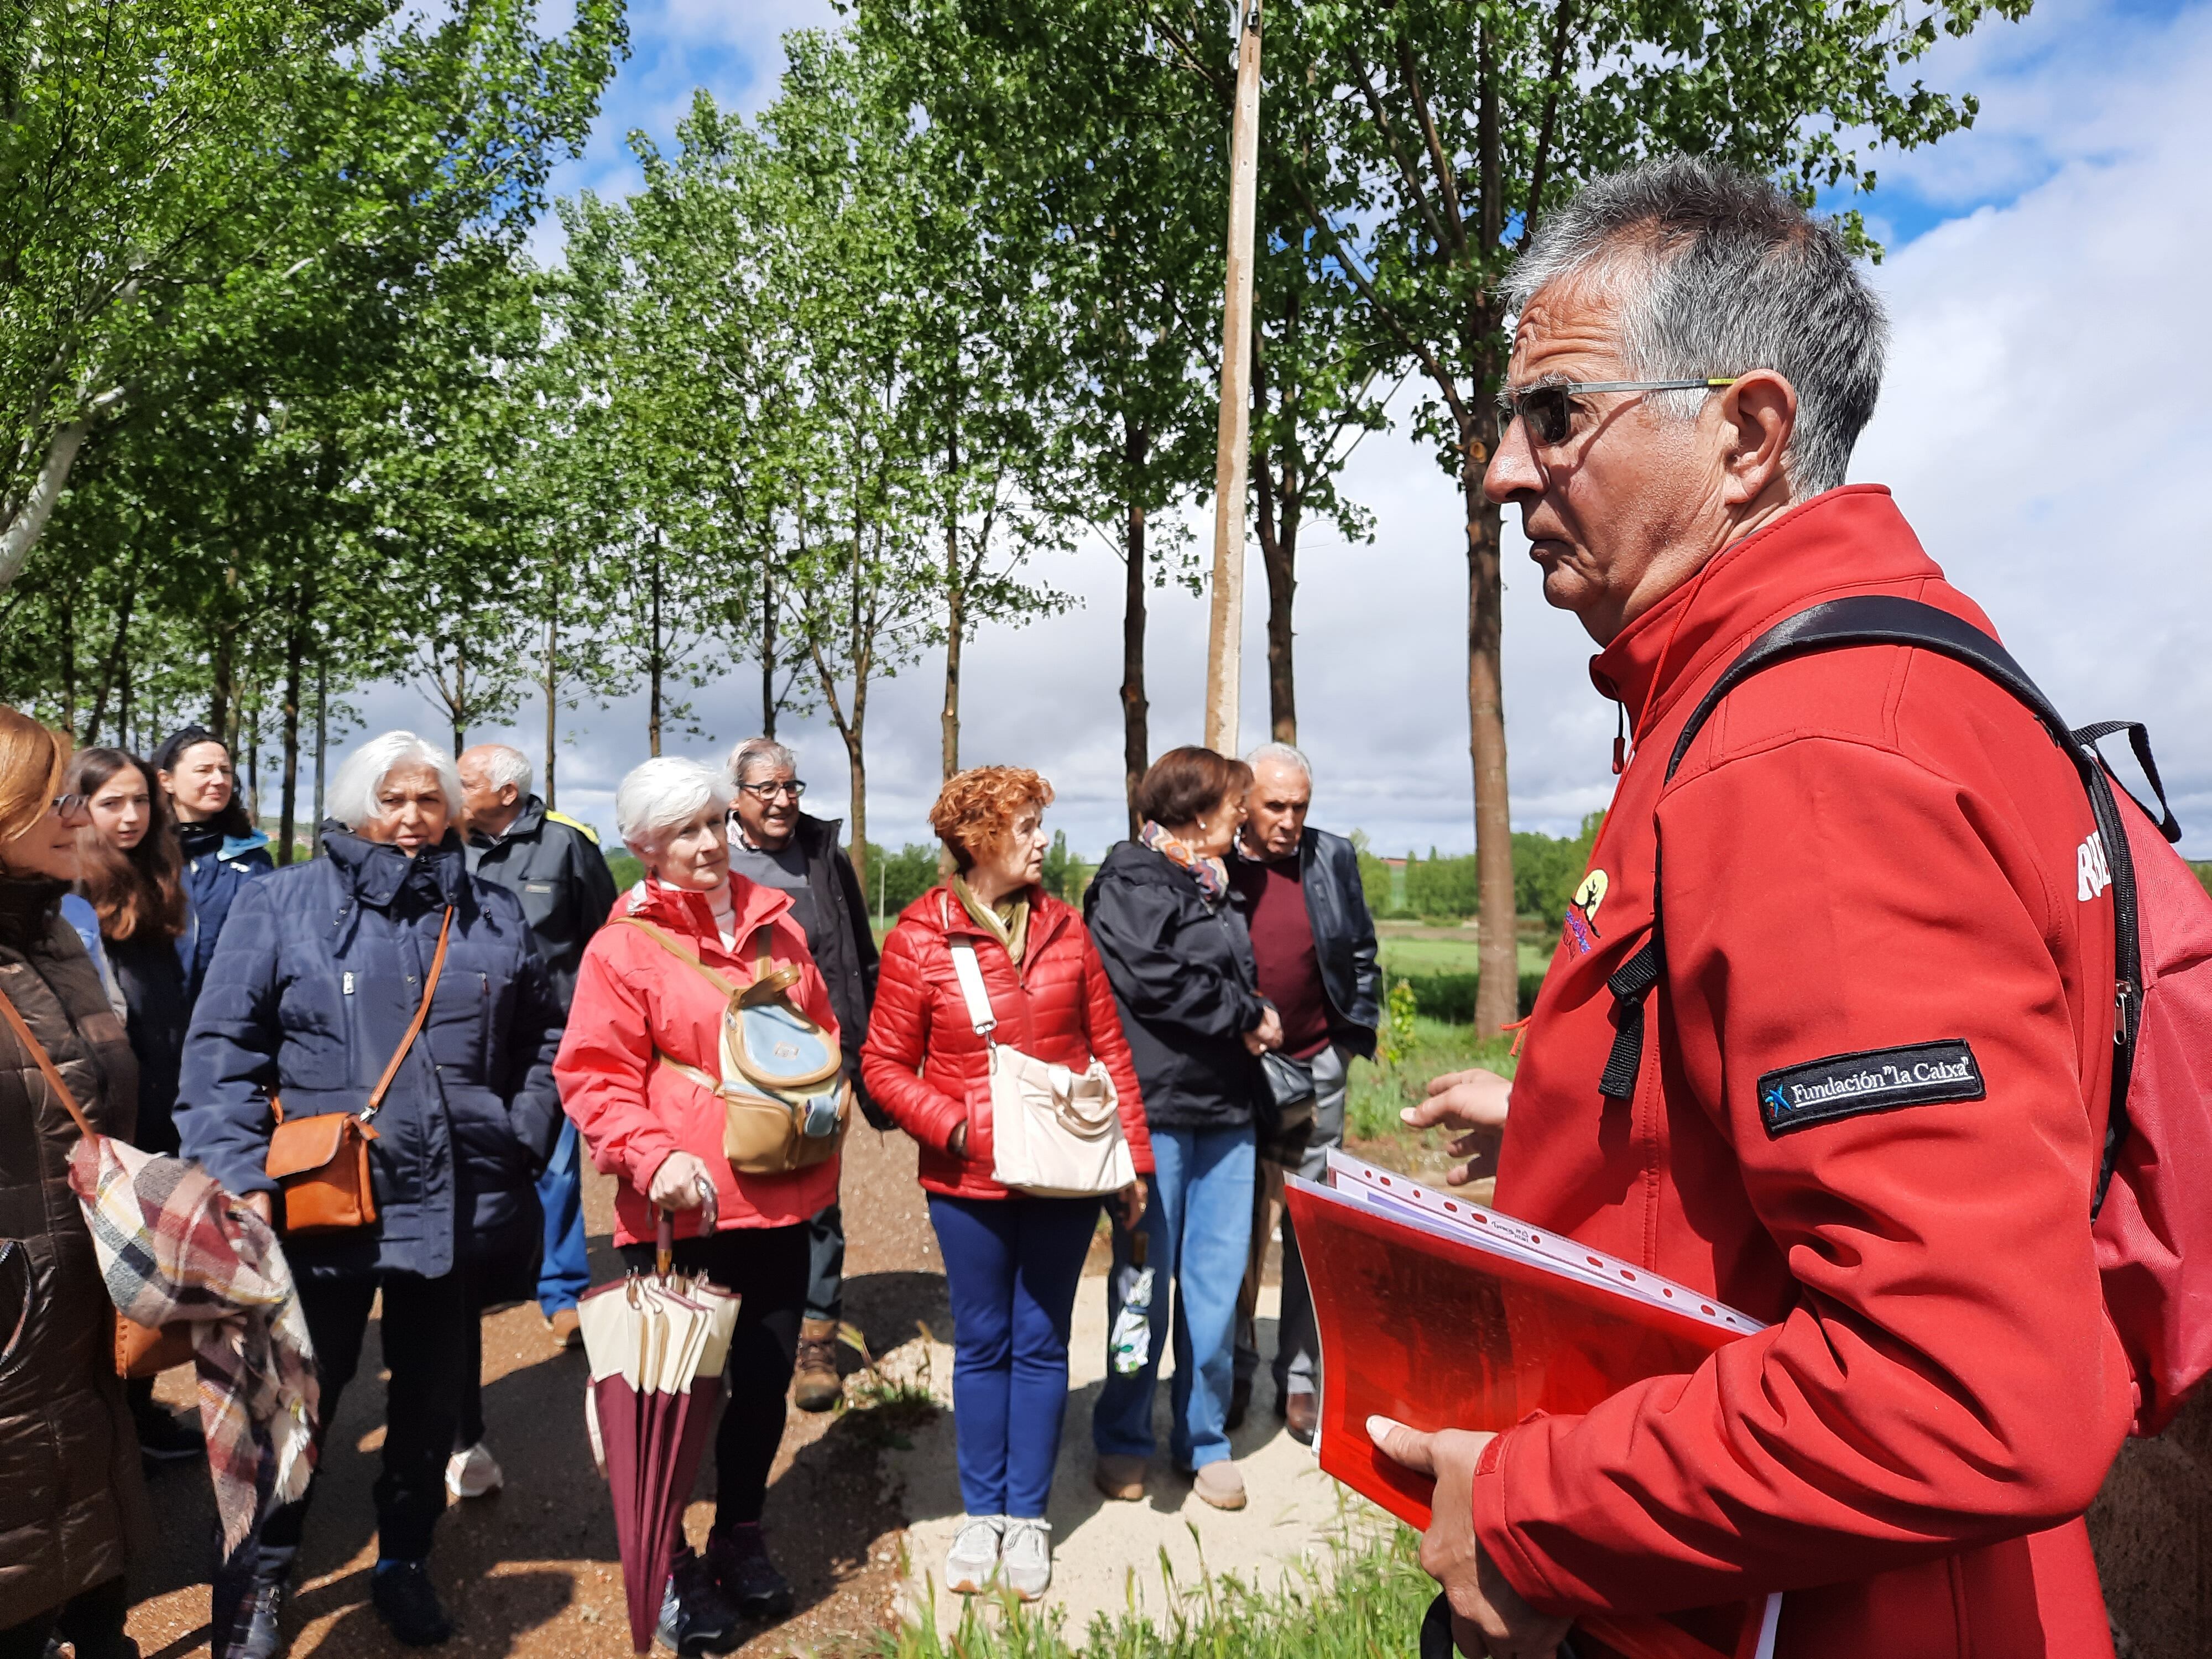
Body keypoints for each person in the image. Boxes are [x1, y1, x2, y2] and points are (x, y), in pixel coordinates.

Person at [1379, 156, 2133, 1659]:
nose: (1504, 471)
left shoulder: (1803, 756)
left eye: (1556, 414)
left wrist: (1532, 1509)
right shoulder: (1891, 683)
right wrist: (1556, 1109)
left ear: (1747, 432)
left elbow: (1966, 1385)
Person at [178, 731, 566, 1653]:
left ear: (454, 812)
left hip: (457, 1206)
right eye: (391, 799)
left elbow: (550, 1036)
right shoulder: (282, 905)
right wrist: (241, 1175)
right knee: (296, 1408)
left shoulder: (492, 910)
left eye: (428, 801)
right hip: (321, 1211)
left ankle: (404, 1560)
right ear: (354, 807)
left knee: (431, 1403)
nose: (410, 818)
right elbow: (221, 1057)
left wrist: (520, 1132)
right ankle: (264, 1579)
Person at [557, 757, 840, 1653]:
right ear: (645, 847)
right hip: (682, 1209)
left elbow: (818, 1033)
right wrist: (652, 1156)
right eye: (686, 831)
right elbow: (594, 1078)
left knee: (760, 1387)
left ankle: (741, 1533)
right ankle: (669, 1558)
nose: (711, 842)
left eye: (716, 822)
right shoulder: (622, 949)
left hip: (783, 1197)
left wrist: (817, 1102)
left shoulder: (779, 930)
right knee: (673, 1400)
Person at [862, 767, 1151, 1600]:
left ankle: (1027, 1518)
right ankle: (980, 1514)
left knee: (1043, 1341)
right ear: (979, 840)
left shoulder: (1067, 928)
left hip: (1063, 1179)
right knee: (983, 1343)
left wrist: (1132, 1161)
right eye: (1025, 826)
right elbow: (881, 1067)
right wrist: (956, 1127)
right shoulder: (920, 936)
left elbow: (1111, 1051)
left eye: (1037, 824)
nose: (1041, 839)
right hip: (966, 1182)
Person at [1084, 746, 1280, 1512]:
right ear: (1198, 814)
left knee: (1212, 1286)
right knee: (1141, 1287)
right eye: (1237, 806)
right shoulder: (1130, 881)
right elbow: (1151, 979)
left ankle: (1202, 1439)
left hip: (1227, 1115)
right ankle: (1123, 1435)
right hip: (1153, 1116)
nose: (1245, 819)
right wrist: (1246, 1015)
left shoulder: (1218, 887)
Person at [0, 708, 146, 1659]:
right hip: (14, 1322)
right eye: (51, 795)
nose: (76, 812)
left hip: (82, 1302)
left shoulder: (57, 934)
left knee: (86, 1538)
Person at [446, 743, 617, 1501]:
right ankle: (484, 1277)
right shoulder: (444, 844)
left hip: (553, 1038)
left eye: (466, 781)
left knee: (553, 1164)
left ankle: (562, 1295)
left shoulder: (568, 845)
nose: (454, 791)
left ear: (506, 791)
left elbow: (606, 935)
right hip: (470, 1037)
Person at [1225, 743, 1379, 1446]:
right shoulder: (1214, 864)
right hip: (1238, 1075)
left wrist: (1345, 1049)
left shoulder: (1331, 857)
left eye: (1300, 807)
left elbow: (1360, 951)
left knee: (1310, 1232)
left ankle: (1301, 1381)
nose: (1289, 821)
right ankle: (1233, 1369)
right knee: (1237, 1233)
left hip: (1318, 1067)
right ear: (1244, 804)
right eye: (1275, 806)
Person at [722, 737, 879, 1413]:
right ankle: (733, 1335)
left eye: (793, 787)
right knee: (731, 1191)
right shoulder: (710, 854)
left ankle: (815, 1339)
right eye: (768, 789)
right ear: (735, 798)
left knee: (818, 1196)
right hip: (731, 1058)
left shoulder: (823, 857)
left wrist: (863, 1054)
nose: (785, 800)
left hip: (816, 1056)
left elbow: (856, 956)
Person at [68, 746, 207, 1465]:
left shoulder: (161, 884)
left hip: (165, 1105)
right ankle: (106, 1430)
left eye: (140, 803)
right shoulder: (69, 895)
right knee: (101, 1281)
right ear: (80, 809)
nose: (129, 816)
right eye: (110, 803)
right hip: (102, 1113)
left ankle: (139, 1409)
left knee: (153, 1273)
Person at [152, 726, 272, 1007]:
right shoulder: (143, 856)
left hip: (228, 1012)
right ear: (166, 780)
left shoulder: (253, 859)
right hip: (154, 1019)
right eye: (204, 770)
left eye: (225, 771)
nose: (218, 780)